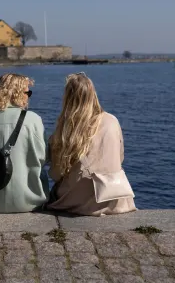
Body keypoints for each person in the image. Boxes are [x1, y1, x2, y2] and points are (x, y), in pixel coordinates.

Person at [47, 72, 136, 216]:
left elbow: (57, 172)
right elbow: (120, 158)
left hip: (79, 200)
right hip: (115, 198)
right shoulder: (111, 121)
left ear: (67, 98)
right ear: (93, 94)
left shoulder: (66, 126)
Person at [0, 73, 49, 213]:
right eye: (28, 92)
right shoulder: (32, 119)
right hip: (30, 201)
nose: (28, 96)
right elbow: (43, 157)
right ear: (18, 94)